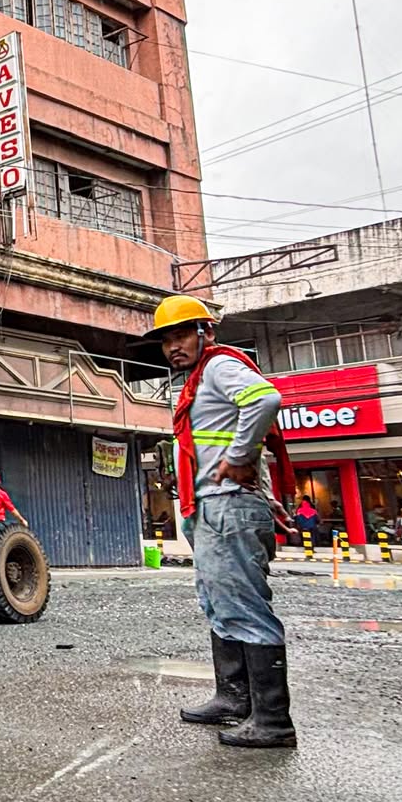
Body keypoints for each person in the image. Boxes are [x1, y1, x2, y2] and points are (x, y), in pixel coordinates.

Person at [143, 294, 296, 750]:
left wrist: (239, 455)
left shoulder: (218, 367)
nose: (174, 346)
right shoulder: (196, 381)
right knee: (220, 603)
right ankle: (233, 699)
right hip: (209, 506)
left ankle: (272, 721)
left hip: (229, 503)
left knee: (244, 607)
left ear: (205, 333)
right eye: (167, 339)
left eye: (182, 335)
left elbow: (266, 399)